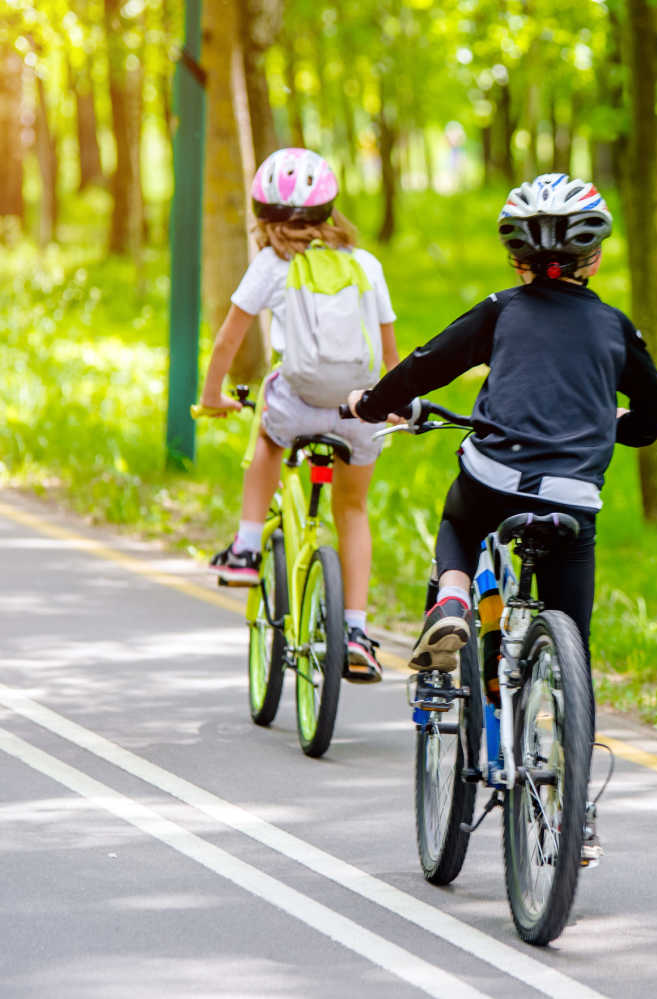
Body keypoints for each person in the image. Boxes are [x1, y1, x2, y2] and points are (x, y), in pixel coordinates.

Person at [345, 173, 657, 675]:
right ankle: (561, 712)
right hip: (572, 495)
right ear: (596, 257)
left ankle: (451, 599)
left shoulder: (502, 310)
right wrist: (616, 423)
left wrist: (369, 404)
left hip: (495, 478)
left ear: (517, 261)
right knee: (572, 648)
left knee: (459, 518)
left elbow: (426, 365)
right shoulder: (616, 327)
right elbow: (653, 414)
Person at [199, 147, 398, 682]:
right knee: (352, 510)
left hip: (299, 405)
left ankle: (244, 548)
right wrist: (395, 406)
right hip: (360, 408)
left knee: (268, 431)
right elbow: (389, 351)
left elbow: (227, 342)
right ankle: (355, 629)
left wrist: (214, 396)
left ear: (262, 218)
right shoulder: (366, 265)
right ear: (329, 212)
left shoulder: (271, 266)